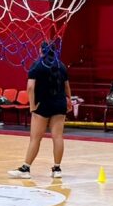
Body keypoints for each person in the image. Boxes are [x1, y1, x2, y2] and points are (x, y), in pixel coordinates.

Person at [8, 43, 72, 179]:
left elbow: (30, 87)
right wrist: (69, 101)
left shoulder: (37, 65)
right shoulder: (61, 65)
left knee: (35, 138)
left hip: (42, 105)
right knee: (58, 137)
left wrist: (32, 106)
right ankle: (57, 169)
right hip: (59, 104)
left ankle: (25, 168)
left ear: (40, 50)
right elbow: (67, 86)